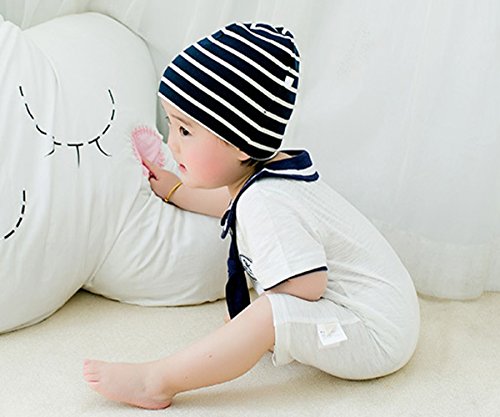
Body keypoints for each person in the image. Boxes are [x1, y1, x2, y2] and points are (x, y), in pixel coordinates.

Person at [83, 21, 420, 410]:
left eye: (186, 131)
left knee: (267, 315)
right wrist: (177, 191)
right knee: (264, 316)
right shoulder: (268, 179)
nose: (172, 143)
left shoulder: (267, 201)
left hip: (373, 335)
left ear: (240, 142)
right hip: (388, 316)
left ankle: (157, 382)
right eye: (170, 125)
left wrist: (253, 331)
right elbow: (233, 205)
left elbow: (307, 285)